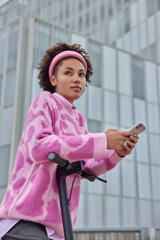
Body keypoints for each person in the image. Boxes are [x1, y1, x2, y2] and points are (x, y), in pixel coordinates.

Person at [0, 42, 139, 240]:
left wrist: (116, 152)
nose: (77, 79)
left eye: (81, 75)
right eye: (68, 73)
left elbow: (83, 169)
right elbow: (39, 147)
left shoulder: (79, 119)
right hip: (25, 219)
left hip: (58, 227)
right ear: (53, 79)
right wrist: (102, 140)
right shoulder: (45, 101)